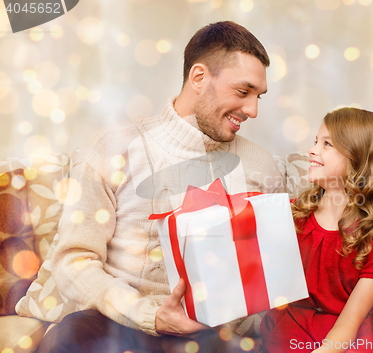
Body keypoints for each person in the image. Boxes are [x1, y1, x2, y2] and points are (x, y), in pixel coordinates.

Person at [35, 21, 284, 353]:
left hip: (212, 335)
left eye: (258, 97)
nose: (252, 110)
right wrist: (149, 315)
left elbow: (268, 279)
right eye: (243, 91)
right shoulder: (112, 149)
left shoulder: (261, 167)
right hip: (116, 323)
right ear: (198, 78)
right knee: (73, 337)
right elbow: (72, 262)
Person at [260, 107, 373, 353]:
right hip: (293, 324)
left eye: (327, 144)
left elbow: (349, 322)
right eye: (316, 141)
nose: (312, 150)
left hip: (350, 332)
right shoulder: (291, 215)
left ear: (359, 159)